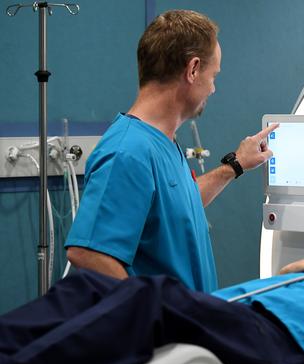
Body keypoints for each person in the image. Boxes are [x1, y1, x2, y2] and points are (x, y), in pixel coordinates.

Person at [64, 10, 276, 292]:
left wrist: (235, 165)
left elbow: (174, 209)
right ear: (193, 69)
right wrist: (155, 315)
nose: (213, 89)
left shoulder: (162, 142)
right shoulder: (127, 152)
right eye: (213, 77)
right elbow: (88, 253)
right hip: (162, 333)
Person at [0, 252, 304, 364]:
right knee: (89, 286)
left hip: (291, 345)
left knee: (153, 297)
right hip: (251, 313)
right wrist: (293, 278)